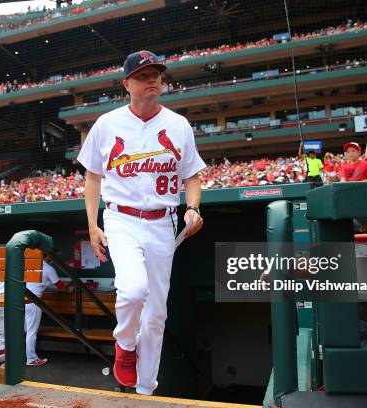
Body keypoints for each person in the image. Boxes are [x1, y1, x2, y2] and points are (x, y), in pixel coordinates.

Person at [77, 50, 205, 395]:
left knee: (156, 315)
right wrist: (93, 225)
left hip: (164, 222)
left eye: (157, 74)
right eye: (144, 75)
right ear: (127, 84)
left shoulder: (178, 125)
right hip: (121, 219)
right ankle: (125, 345)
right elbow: (92, 177)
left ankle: (146, 390)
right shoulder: (107, 124)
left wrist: (192, 207)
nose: (153, 80)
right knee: (133, 289)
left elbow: (192, 176)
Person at [0, 254, 62, 366]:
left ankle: (15, 355)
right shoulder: (49, 268)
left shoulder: (26, 265)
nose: (53, 257)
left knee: (21, 329)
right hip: (33, 301)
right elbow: (61, 286)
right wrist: (71, 287)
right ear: (46, 255)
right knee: (31, 331)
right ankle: (31, 358)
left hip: (20, 298)